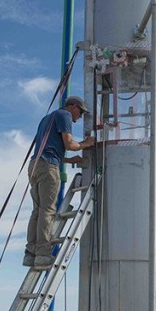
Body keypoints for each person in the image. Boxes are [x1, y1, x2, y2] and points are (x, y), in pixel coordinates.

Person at [24, 95, 95, 270]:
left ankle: (30, 253)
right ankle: (42, 254)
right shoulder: (65, 116)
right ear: (72, 107)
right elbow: (69, 144)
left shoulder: (46, 119)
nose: (78, 118)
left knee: (38, 210)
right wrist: (87, 143)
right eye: (80, 112)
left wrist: (70, 161)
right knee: (48, 210)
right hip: (48, 167)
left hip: (35, 165)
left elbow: (49, 148)